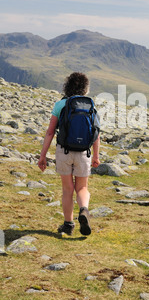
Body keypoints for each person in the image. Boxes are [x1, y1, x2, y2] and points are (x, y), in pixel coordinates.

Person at [37, 72, 100, 236]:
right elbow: (96, 134)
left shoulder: (60, 105)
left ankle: (68, 224)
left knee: (67, 189)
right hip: (83, 152)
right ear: (85, 89)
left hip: (64, 151)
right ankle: (84, 210)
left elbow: (50, 132)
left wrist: (43, 155)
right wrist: (96, 156)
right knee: (82, 187)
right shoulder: (90, 106)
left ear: (67, 86)